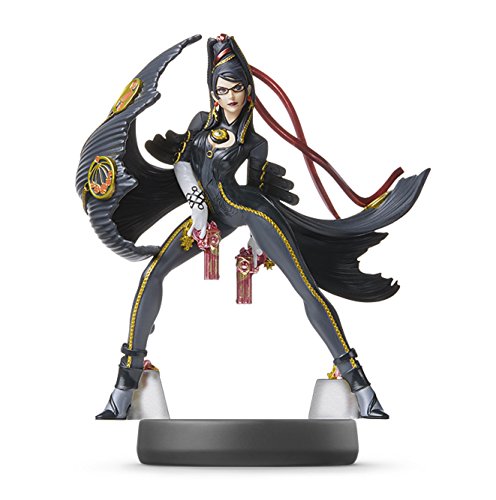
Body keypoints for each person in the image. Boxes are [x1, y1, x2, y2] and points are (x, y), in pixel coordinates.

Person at [80, 34, 428, 420]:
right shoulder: (199, 124)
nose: (230, 96)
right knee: (152, 273)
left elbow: (257, 188)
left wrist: (257, 245)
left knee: (305, 288)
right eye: (222, 89)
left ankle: (360, 384)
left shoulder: (255, 141)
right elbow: (182, 164)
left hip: (252, 212)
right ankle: (124, 384)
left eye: (237, 88)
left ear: (248, 90)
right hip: (209, 215)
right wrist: (197, 206)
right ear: (213, 92)